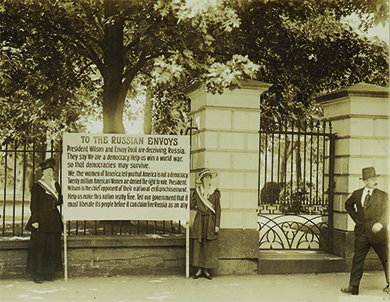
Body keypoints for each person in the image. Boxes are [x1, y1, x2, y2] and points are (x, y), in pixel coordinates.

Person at [341, 167, 389, 295]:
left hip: (378, 233)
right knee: (358, 259)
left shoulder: (383, 195)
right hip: (362, 232)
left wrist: (381, 223)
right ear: (365, 181)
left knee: (386, 259)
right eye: (372, 179)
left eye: (375, 178)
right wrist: (357, 219)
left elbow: (387, 212)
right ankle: (353, 286)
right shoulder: (357, 194)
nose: (375, 181)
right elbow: (348, 205)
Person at [26, 158, 63, 284]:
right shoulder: (37, 186)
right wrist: (35, 220)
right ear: (42, 172)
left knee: (52, 247)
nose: (49, 173)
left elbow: (59, 201)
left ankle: (48, 272)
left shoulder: (56, 185)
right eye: (46, 171)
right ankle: (37, 274)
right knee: (40, 248)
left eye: (51, 171)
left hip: (53, 221)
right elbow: (34, 205)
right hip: (41, 220)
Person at [191, 168, 221, 280]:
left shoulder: (215, 192)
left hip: (210, 222)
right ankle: (199, 269)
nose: (208, 179)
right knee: (199, 244)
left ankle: (207, 270)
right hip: (199, 220)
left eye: (209, 177)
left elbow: (218, 209)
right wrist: (193, 196)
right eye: (205, 177)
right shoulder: (197, 191)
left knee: (208, 245)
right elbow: (192, 205)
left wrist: (217, 225)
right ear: (202, 179)